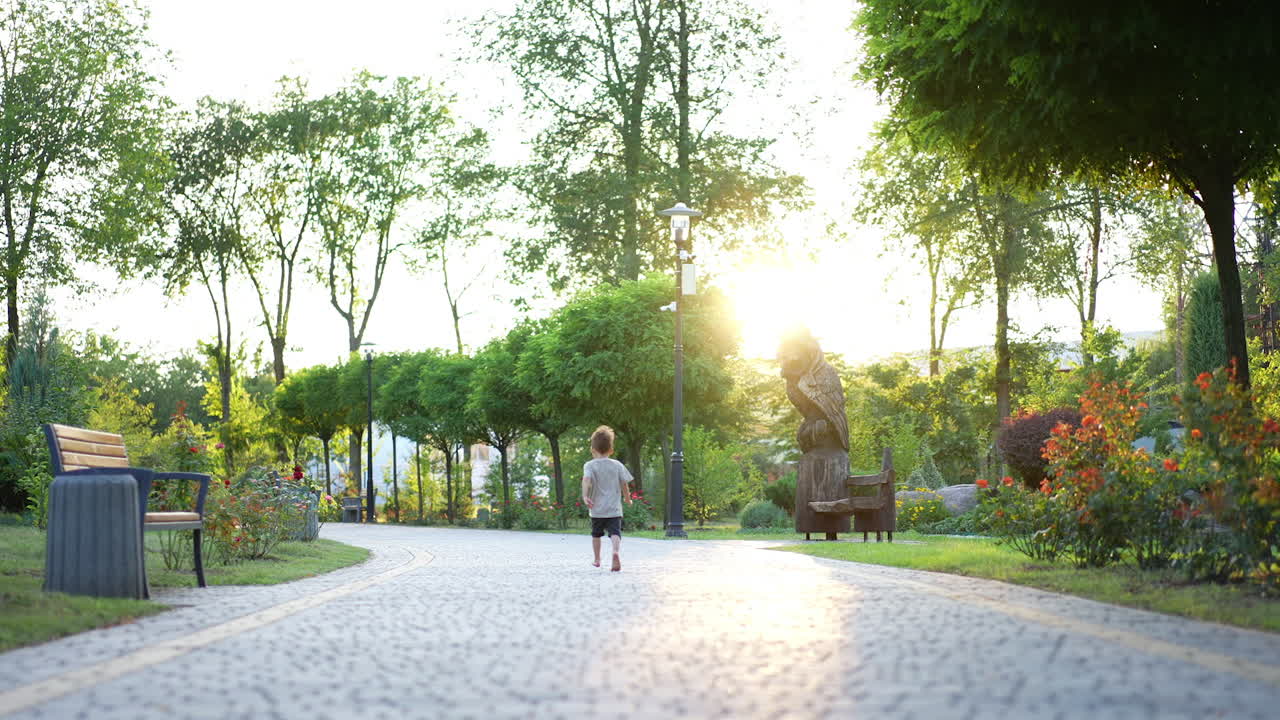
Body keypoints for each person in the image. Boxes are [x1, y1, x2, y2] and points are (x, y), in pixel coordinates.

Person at [581, 425, 633, 572]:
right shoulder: (617, 465)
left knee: (596, 534)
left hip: (597, 509)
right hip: (614, 509)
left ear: (593, 450)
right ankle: (615, 552)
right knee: (615, 533)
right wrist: (628, 499)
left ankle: (597, 559)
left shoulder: (589, 465)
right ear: (611, 450)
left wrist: (585, 496)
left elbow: (586, 480)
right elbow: (624, 484)